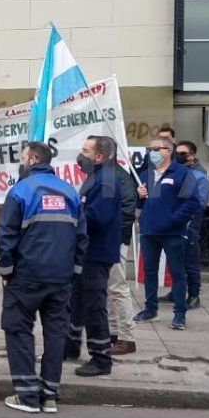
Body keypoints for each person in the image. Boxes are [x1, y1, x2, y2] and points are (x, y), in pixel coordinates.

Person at [0, 142, 87, 414]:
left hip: (26, 276)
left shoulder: (20, 190)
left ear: (33, 158)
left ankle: (26, 395)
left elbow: (6, 235)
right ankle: (49, 394)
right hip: (60, 278)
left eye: (22, 158)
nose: (20, 162)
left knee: (18, 330)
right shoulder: (69, 190)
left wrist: (6, 270)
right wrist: (74, 271)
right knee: (56, 333)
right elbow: (82, 236)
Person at [133, 135, 203, 330]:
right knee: (150, 271)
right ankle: (150, 308)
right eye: (149, 149)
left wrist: (172, 220)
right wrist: (139, 196)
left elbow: (192, 202)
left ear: (167, 151)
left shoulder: (181, 173)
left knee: (178, 273)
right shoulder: (146, 174)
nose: (151, 153)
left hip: (173, 233)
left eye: (155, 149)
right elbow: (142, 203)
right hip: (149, 231)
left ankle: (179, 314)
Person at [66, 135, 121, 377]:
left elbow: (99, 217)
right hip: (86, 252)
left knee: (94, 305)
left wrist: (72, 215)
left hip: (97, 254)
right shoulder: (94, 177)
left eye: (86, 151)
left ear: (99, 156)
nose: (81, 154)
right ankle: (70, 345)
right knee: (75, 301)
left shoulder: (106, 180)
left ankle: (101, 358)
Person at [160, 140, 209, 309]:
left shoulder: (199, 176)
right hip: (173, 222)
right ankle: (176, 292)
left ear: (192, 156)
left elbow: (200, 203)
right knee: (175, 260)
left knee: (190, 260)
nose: (178, 156)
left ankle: (194, 295)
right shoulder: (173, 172)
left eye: (183, 153)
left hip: (190, 224)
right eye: (177, 152)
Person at [110, 156, 138, 355]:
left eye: (88, 151)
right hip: (105, 242)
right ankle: (113, 332)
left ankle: (127, 338)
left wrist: (115, 239)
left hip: (114, 241)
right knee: (107, 289)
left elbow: (127, 213)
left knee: (117, 287)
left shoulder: (121, 178)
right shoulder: (102, 176)